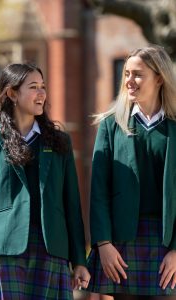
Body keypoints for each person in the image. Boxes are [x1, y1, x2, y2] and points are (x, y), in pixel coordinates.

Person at [0, 62, 90, 299]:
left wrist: (79, 260)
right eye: (33, 87)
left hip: (52, 247)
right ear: (12, 93)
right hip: (2, 249)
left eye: (43, 86)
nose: (41, 93)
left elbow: (71, 205)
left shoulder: (60, 142)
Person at [87, 44, 176, 300]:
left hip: (165, 242)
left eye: (137, 74)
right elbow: (99, 191)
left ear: (159, 78)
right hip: (121, 243)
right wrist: (103, 243)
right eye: (126, 73)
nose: (129, 81)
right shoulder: (111, 126)